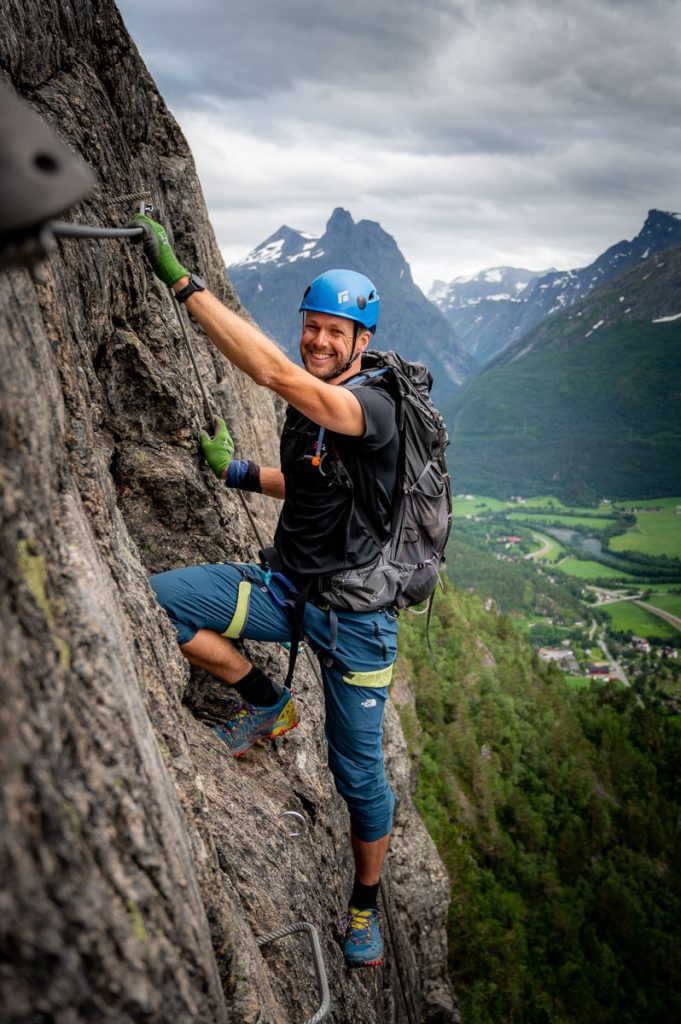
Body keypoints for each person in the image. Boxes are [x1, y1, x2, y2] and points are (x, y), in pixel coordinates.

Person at [133, 213, 400, 968]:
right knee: (157, 602)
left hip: (356, 624)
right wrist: (241, 473)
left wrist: (182, 283)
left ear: (362, 341)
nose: (318, 341)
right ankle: (267, 703)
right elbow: (318, 483)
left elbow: (275, 375)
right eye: (311, 327)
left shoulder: (372, 408)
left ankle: (363, 906)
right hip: (287, 593)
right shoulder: (323, 400)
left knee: (358, 775)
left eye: (335, 332)